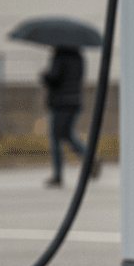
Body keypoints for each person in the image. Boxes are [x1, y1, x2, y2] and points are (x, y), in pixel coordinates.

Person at [41, 45, 97, 187]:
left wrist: (45, 77)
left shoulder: (60, 56)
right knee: (67, 135)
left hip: (60, 102)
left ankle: (58, 175)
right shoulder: (79, 57)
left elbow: (55, 77)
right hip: (75, 100)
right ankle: (90, 159)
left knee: (55, 138)